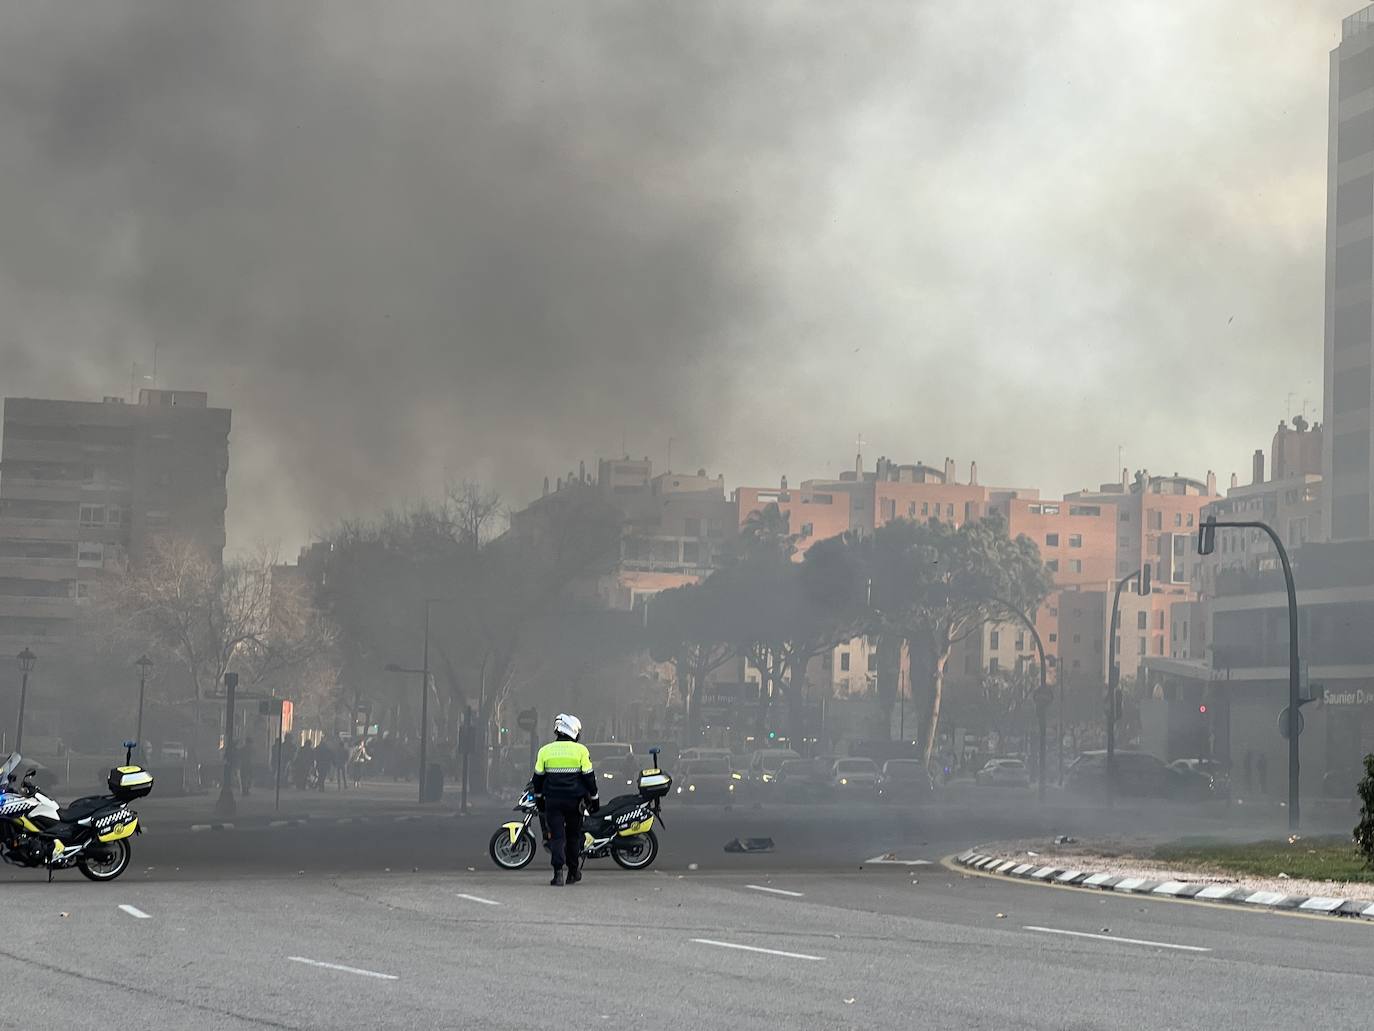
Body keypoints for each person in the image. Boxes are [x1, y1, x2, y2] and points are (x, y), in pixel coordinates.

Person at [531, 713, 599, 887]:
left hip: (553, 801)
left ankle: (558, 874)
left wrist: (539, 799)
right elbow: (589, 778)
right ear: (573, 730)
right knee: (573, 837)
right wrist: (594, 798)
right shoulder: (581, 750)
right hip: (575, 802)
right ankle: (573, 873)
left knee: (557, 838)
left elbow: (537, 779)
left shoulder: (545, 750)